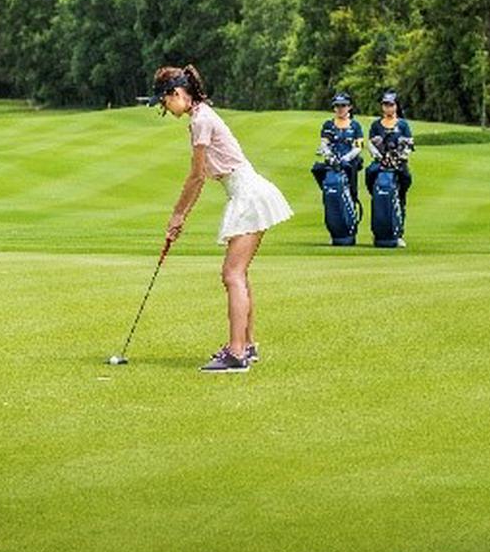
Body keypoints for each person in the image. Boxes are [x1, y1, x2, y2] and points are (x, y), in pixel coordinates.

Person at [150, 64, 293, 373]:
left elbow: (197, 176)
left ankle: (236, 353)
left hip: (248, 195)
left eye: (165, 100)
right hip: (245, 192)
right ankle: (247, 345)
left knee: (232, 274)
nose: (165, 107)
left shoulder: (201, 120)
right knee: (237, 273)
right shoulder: (200, 116)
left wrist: (178, 215)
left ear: (178, 93)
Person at [365, 89, 414, 243]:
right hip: (380, 163)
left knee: (400, 196)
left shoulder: (403, 125)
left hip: (398, 164)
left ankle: (398, 232)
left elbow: (409, 145)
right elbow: (371, 144)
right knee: (371, 176)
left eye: (391, 105)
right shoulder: (376, 125)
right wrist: (379, 156)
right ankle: (379, 230)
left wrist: (400, 157)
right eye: (385, 105)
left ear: (396, 106)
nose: (388, 108)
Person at [310, 90, 364, 208]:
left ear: (349, 107)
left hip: (349, 160)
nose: (340, 109)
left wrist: (347, 158)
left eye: (343, 105)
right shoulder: (328, 125)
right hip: (332, 160)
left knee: (350, 172)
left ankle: (352, 201)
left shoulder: (355, 125)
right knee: (317, 169)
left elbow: (358, 146)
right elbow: (324, 143)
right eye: (337, 106)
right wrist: (329, 155)